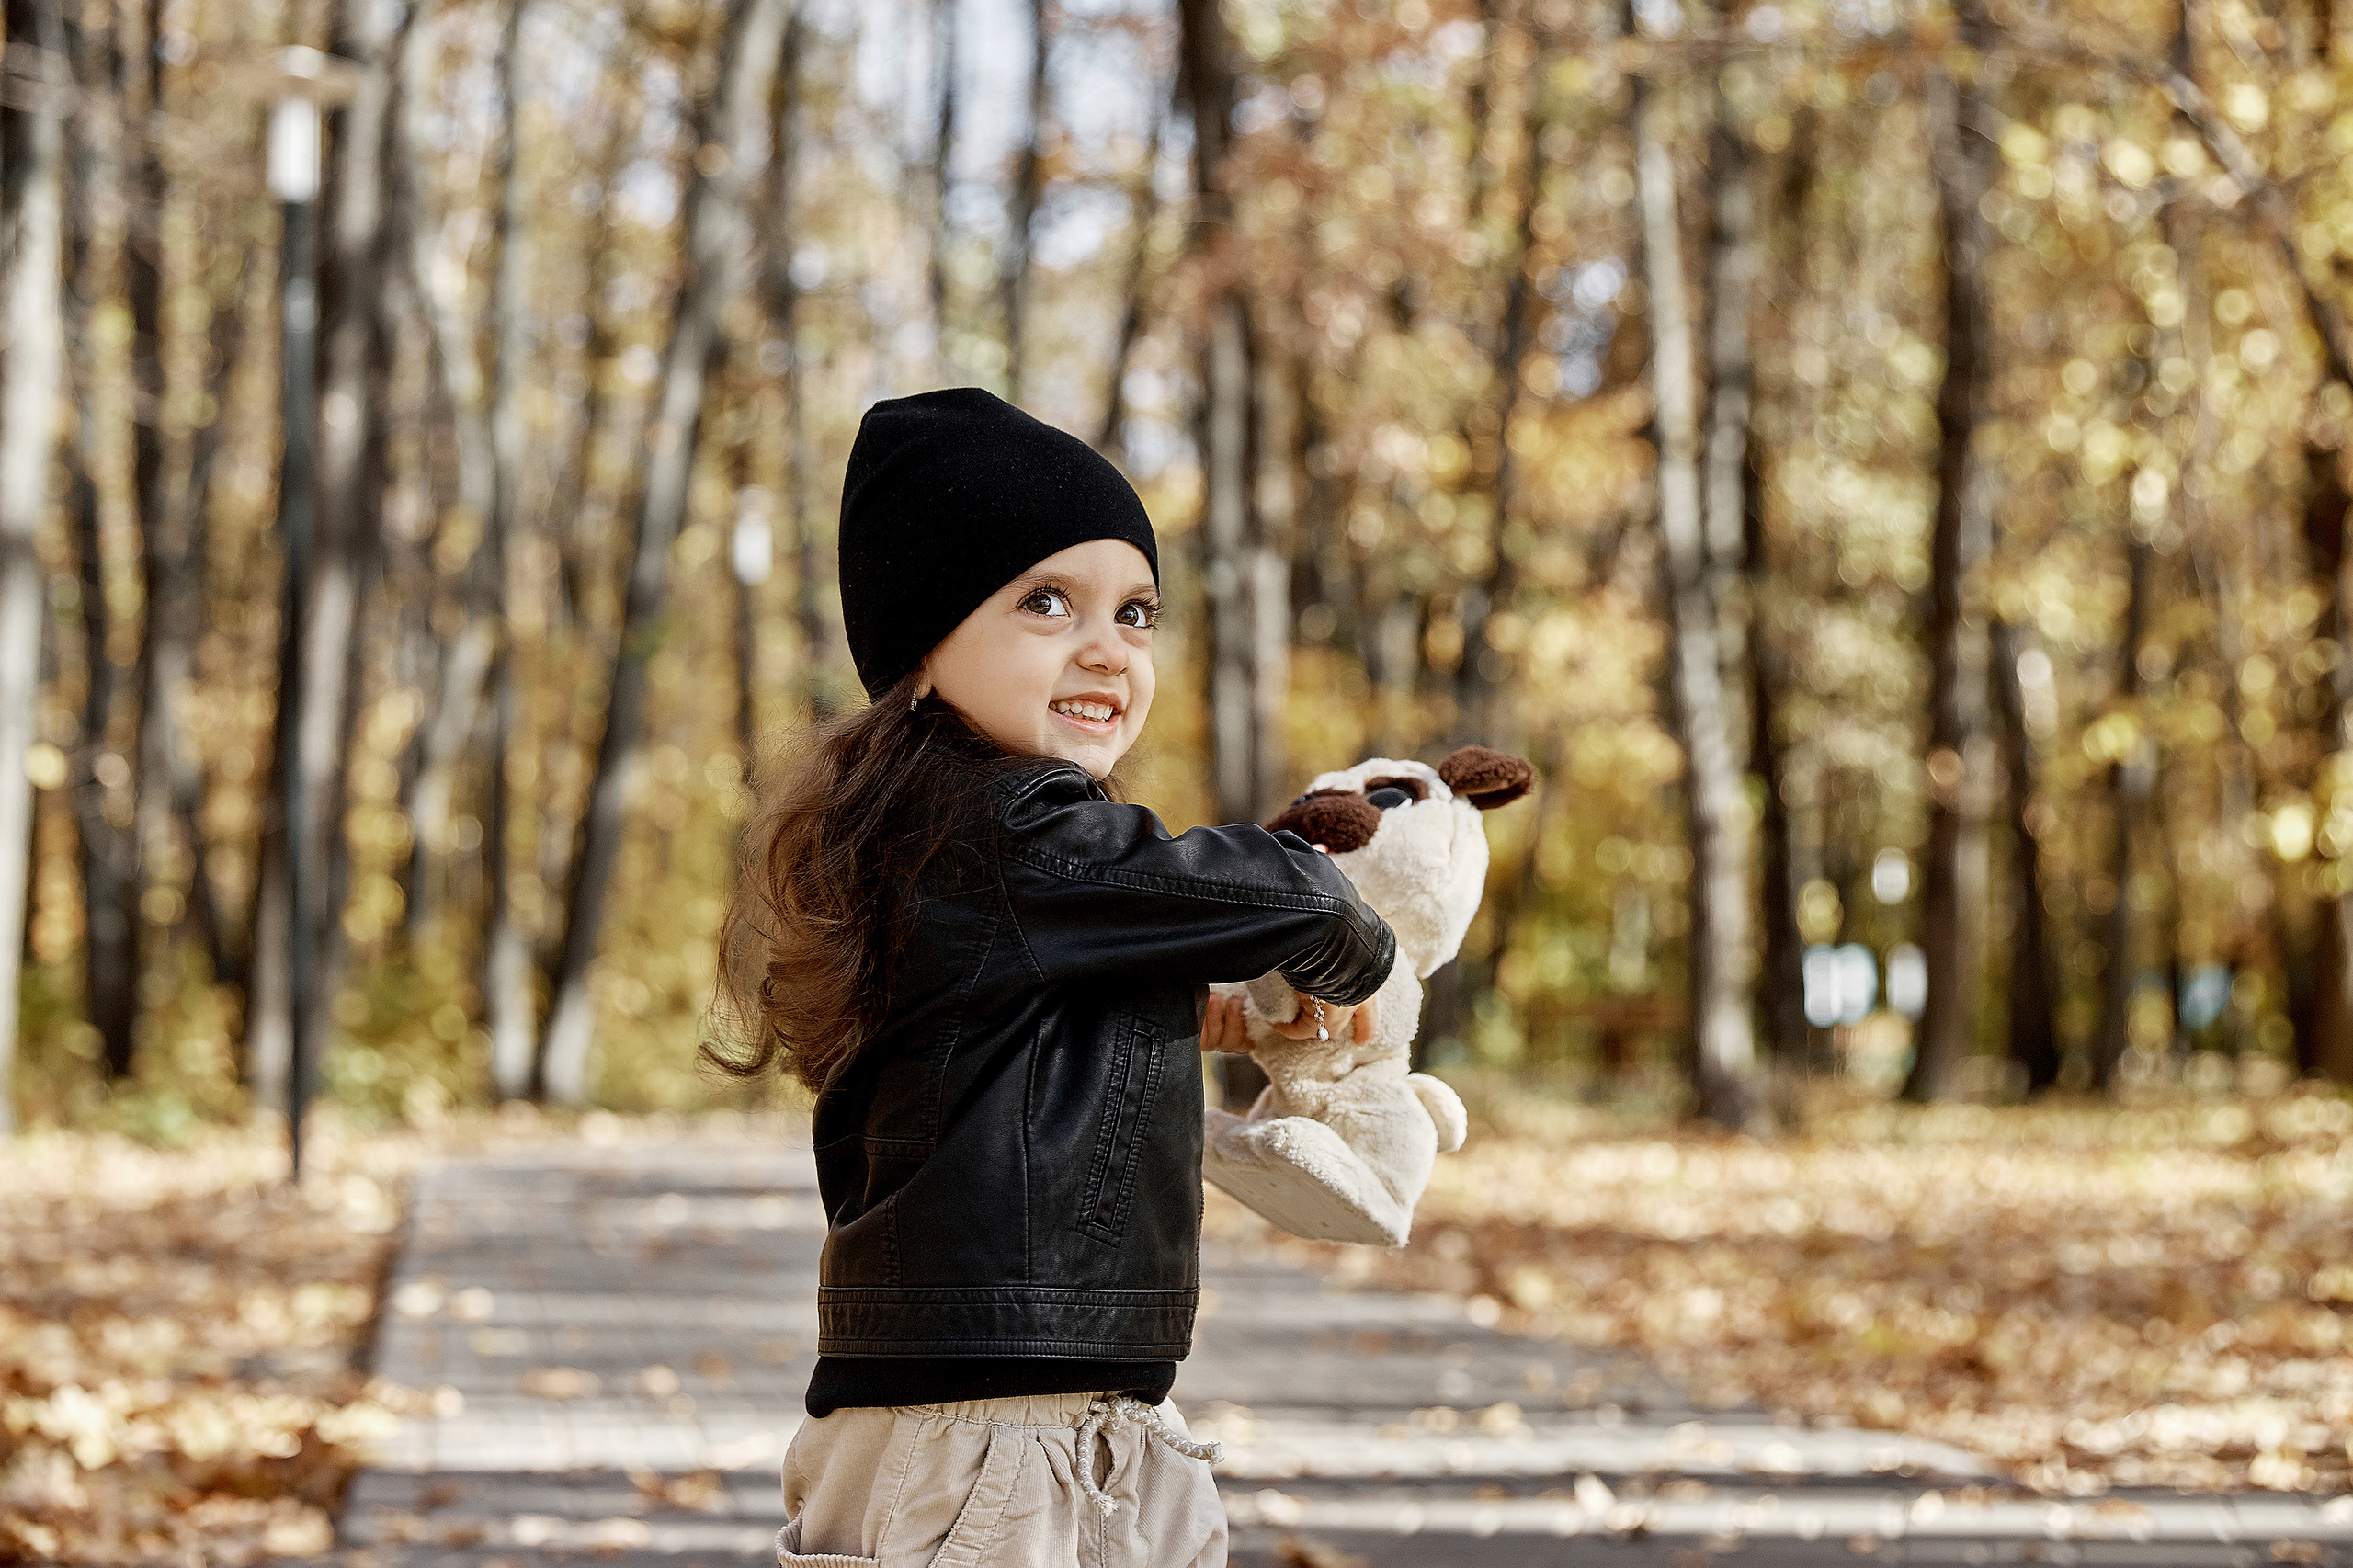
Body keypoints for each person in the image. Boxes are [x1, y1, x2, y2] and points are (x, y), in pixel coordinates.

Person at [710, 386, 1395, 1568]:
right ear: (923, 648)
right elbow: (1282, 891)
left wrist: (1191, 1014)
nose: (1107, 647)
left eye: (1135, 611)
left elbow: (996, 1035)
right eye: (1045, 601)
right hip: (1000, 1441)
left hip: (1015, 1416)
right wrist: (1349, 930)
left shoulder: (940, 836)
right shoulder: (1006, 817)